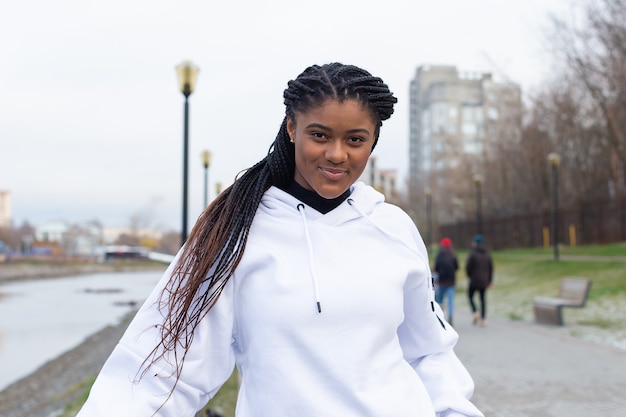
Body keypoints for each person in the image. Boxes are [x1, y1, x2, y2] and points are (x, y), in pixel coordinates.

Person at [77, 63, 483, 417]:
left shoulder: (392, 226)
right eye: (320, 135)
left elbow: (429, 351)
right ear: (291, 128)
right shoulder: (234, 232)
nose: (338, 155)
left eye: (355, 140)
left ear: (373, 141)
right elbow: (162, 367)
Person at [465, 234, 494, 327]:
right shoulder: (487, 254)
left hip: (474, 280)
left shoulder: (473, 254)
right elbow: (491, 269)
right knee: (482, 300)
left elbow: (468, 268)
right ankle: (484, 319)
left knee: (470, 296)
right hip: (484, 281)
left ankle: (475, 312)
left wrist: (470, 276)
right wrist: (489, 281)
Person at [434, 237, 459, 326]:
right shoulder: (453, 255)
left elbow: (436, 268)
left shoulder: (439, 256)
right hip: (451, 282)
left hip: (441, 282)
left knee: (440, 300)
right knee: (450, 301)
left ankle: (440, 318)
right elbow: (457, 267)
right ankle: (450, 317)